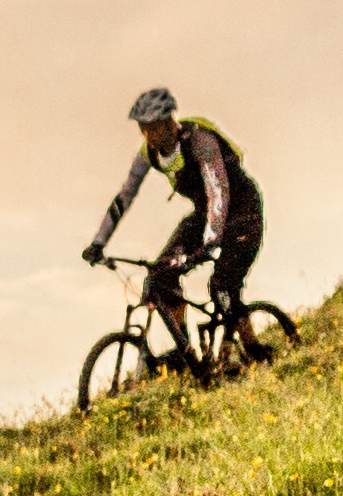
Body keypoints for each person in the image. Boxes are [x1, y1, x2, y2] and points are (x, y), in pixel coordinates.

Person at [86, 88, 260, 342]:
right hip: (205, 214)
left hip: (243, 211)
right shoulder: (149, 153)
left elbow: (217, 190)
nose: (148, 135)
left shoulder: (200, 141)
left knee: (223, 286)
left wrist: (210, 242)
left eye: (154, 127)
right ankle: (185, 352)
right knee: (160, 277)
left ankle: (253, 349)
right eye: (143, 128)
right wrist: (98, 242)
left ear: (169, 122)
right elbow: (125, 196)